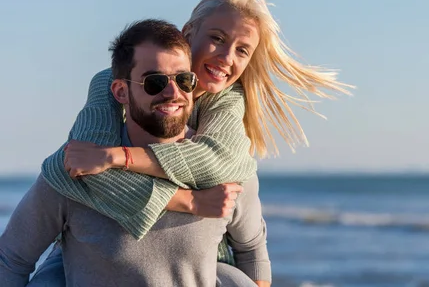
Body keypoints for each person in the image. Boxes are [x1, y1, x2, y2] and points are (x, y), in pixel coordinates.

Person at [35, 0, 353, 285]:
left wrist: (117, 157)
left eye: (242, 50)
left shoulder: (227, 102)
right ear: (189, 33)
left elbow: (214, 163)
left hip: (200, 262)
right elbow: (79, 167)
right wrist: (188, 200)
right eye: (217, 38)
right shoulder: (113, 82)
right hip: (89, 252)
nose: (226, 58)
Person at [0, 19, 269, 286]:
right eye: (155, 82)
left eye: (184, 80)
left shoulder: (227, 173)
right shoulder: (74, 168)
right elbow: (11, 260)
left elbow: (251, 250)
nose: (173, 92)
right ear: (120, 91)